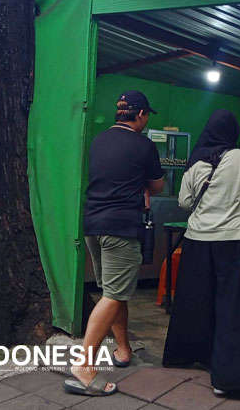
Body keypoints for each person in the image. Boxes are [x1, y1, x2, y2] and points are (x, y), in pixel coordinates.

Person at [162, 109, 240, 396]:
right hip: (231, 240)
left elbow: (185, 203)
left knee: (196, 301)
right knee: (233, 306)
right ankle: (230, 378)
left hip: (196, 241)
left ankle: (188, 355)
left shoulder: (195, 162)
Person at [64, 90, 164, 397]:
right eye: (147, 116)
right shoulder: (144, 145)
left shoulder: (99, 141)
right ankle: (84, 365)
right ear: (141, 114)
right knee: (115, 294)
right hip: (120, 227)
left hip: (93, 224)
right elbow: (157, 186)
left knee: (113, 291)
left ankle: (123, 350)